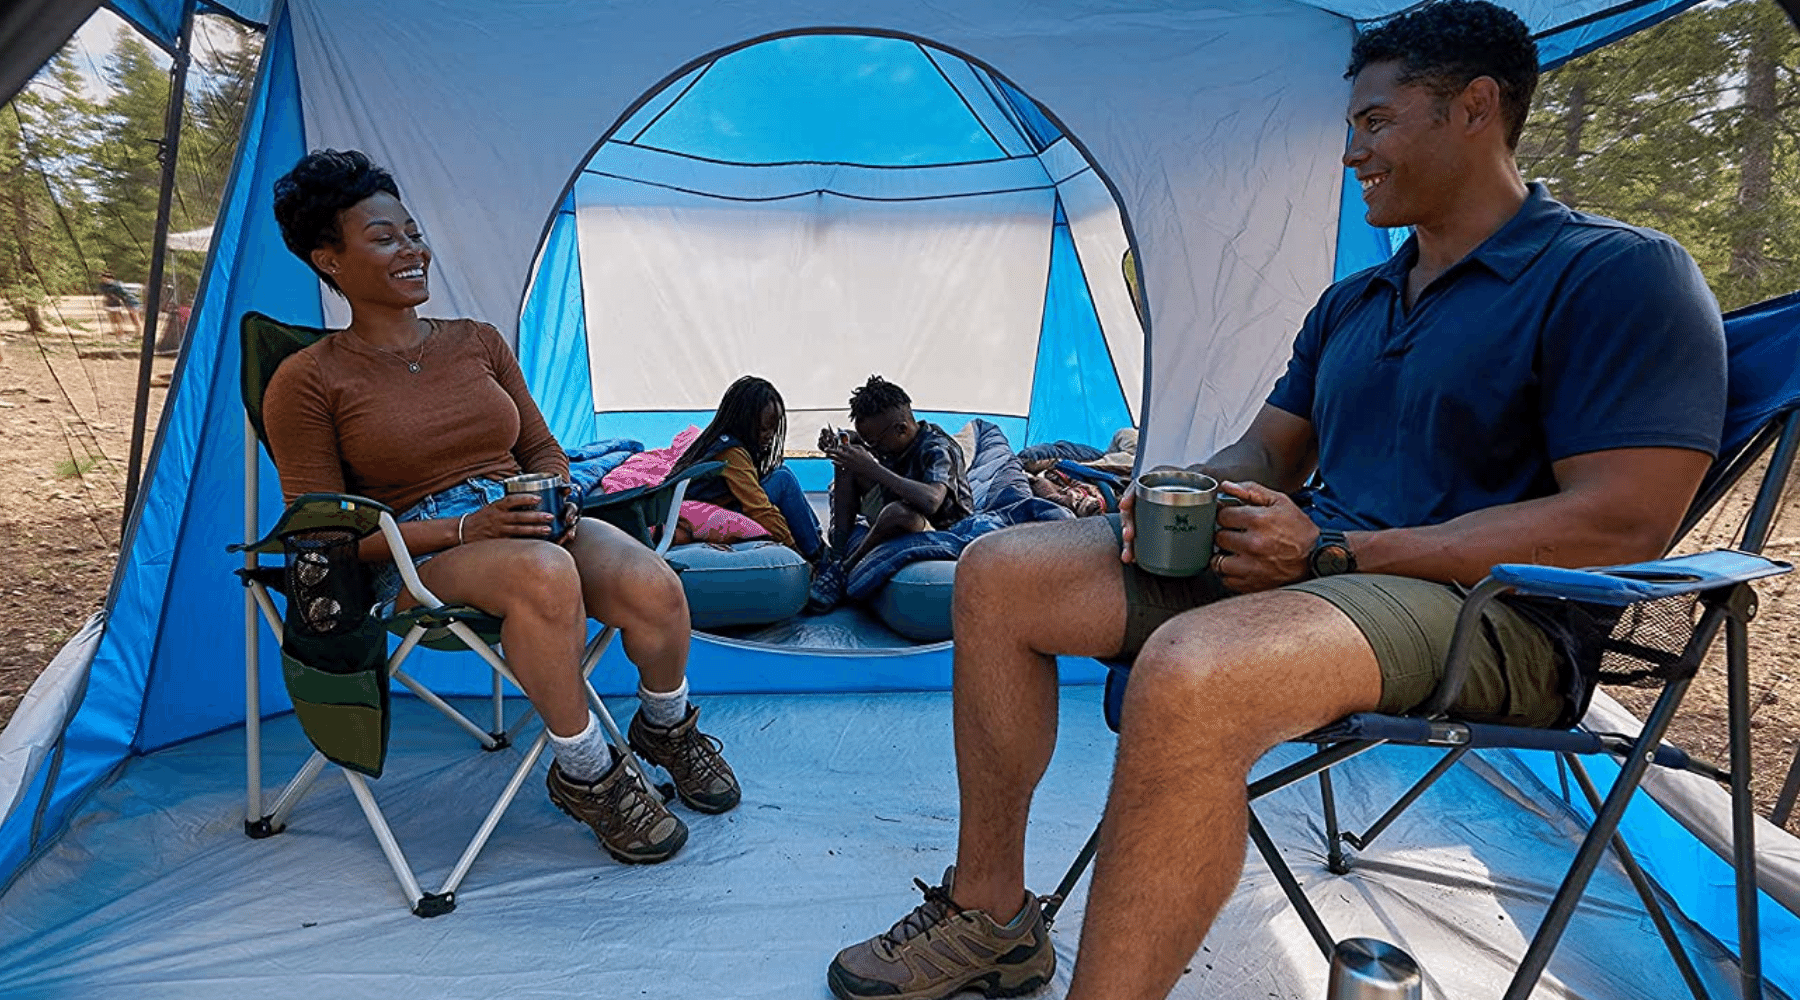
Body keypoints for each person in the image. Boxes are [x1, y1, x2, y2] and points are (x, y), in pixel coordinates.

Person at [825, 3, 1728, 999]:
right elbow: (1268, 449)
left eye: (1376, 121)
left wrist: (1337, 558)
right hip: (1319, 568)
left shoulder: (1616, 275)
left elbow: (1621, 521)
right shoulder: (1356, 301)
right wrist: (1170, 494)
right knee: (999, 571)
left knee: (1195, 669)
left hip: (1497, 610)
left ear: (1474, 108)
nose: (1353, 153)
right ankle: (991, 913)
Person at [263, 148, 739, 867]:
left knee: (654, 584)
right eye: (384, 237)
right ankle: (586, 774)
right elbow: (321, 536)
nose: (412, 248)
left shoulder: (477, 341)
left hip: (521, 520)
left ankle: (664, 729)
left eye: (413, 231)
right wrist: (464, 527)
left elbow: (544, 448)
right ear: (329, 260)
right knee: (544, 575)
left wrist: (558, 495)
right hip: (417, 554)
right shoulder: (307, 380)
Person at [818, 375, 975, 571]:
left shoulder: (937, 448)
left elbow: (932, 501)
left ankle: (847, 566)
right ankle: (838, 553)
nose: (874, 448)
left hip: (936, 525)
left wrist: (873, 469)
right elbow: (867, 442)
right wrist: (845, 441)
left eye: (875, 443)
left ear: (901, 428)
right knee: (846, 461)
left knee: (898, 514)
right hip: (898, 500)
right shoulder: (894, 439)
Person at [670, 375, 826, 561]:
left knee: (781, 474)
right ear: (743, 422)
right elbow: (758, 509)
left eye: (773, 429)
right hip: (711, 521)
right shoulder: (731, 452)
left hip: (718, 509)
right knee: (783, 480)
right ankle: (819, 557)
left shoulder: (717, 442)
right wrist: (794, 550)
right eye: (763, 429)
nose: (769, 437)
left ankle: (818, 545)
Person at [97, 269, 140, 337]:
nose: (103, 279)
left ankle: (138, 330)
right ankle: (118, 332)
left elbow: (125, 294)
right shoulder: (103, 285)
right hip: (112, 302)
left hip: (127, 300)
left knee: (132, 315)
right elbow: (105, 294)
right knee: (112, 317)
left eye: (105, 277)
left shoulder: (118, 285)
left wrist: (126, 302)